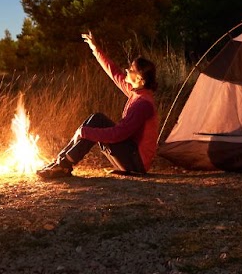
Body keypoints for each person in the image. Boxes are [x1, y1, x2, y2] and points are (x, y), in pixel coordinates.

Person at [36, 32, 158, 180]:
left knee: (96, 124)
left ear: (140, 78)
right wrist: (96, 49)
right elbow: (114, 73)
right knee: (97, 118)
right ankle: (60, 162)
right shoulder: (136, 92)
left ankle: (63, 165)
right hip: (130, 157)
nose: (126, 70)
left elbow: (118, 134)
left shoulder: (143, 104)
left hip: (136, 162)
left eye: (131, 69)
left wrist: (86, 132)